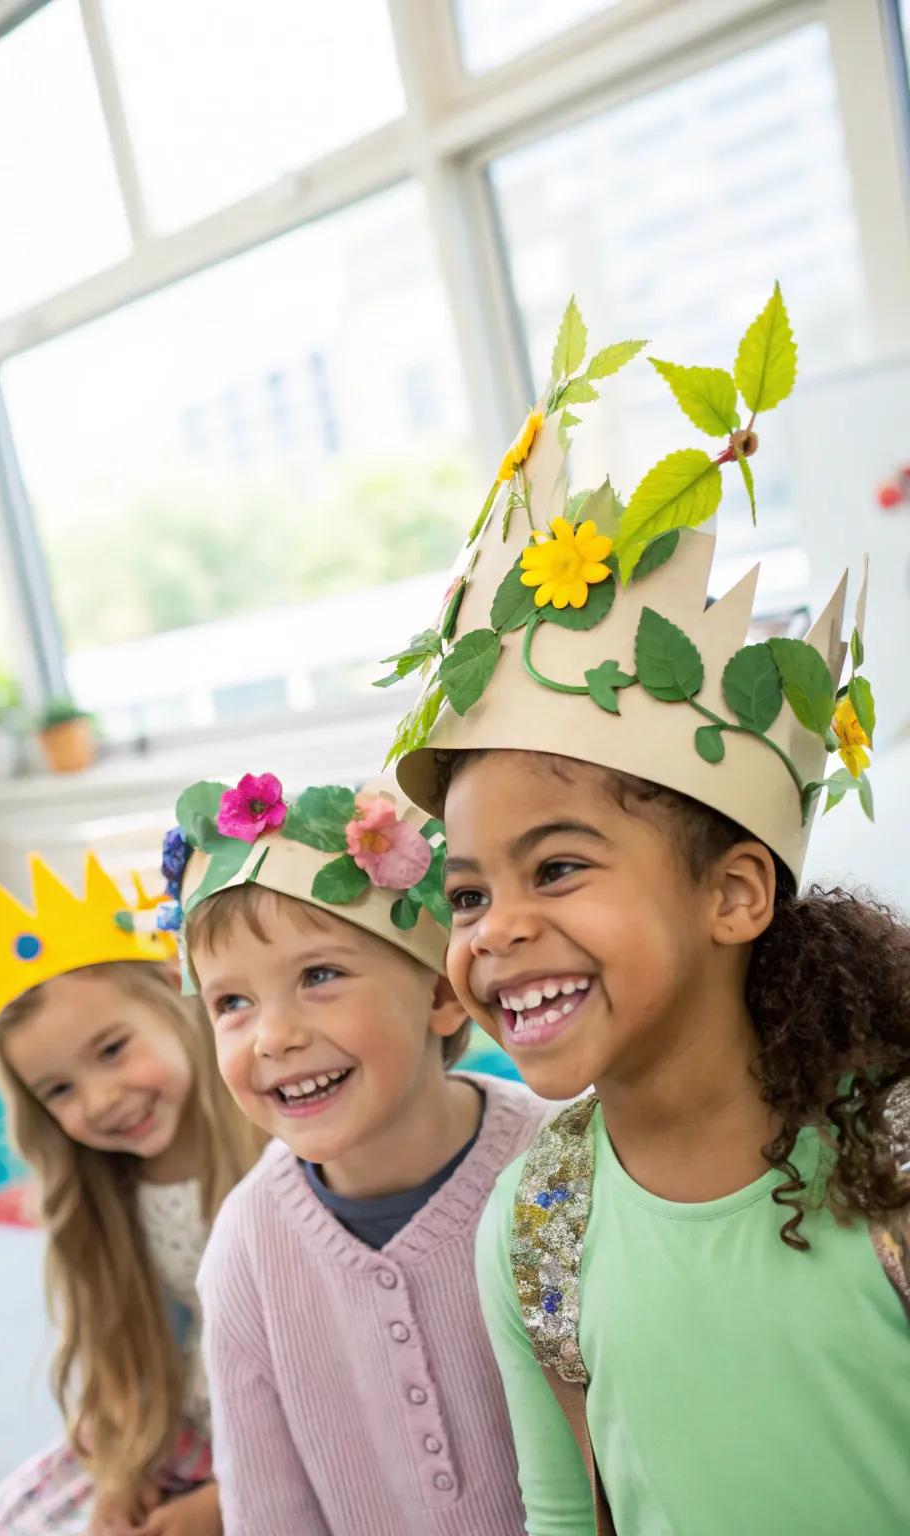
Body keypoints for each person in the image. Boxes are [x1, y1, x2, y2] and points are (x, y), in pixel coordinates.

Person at [383, 290, 910, 1534]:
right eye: (467, 892)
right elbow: (569, 1513)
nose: (495, 927)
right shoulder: (536, 1227)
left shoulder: (892, 1160)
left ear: (732, 893)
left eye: (556, 868)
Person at [167, 771, 546, 1534]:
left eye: (319, 975)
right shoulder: (246, 1248)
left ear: (442, 995)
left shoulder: (557, 1162)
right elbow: (267, 1510)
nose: (273, 1036)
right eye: (231, 1003)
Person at [0, 852, 265, 1536]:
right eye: (59, 1090)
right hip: (180, 1425)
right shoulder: (109, 1195)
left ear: (175, 993)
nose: (102, 1100)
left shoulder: (277, 1151)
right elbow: (131, 1352)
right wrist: (123, 1471)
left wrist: (227, 1502)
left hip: (289, 1439)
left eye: (112, 1050)